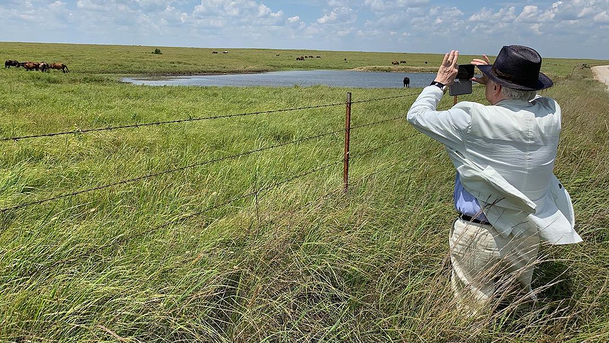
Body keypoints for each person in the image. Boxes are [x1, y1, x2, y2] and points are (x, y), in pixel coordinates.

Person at [406, 45, 582, 313]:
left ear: (498, 88)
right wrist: (497, 83)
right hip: (529, 228)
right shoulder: (551, 113)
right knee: (517, 306)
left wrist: (439, 83)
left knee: (472, 311)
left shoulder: (471, 117)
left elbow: (416, 116)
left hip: (481, 232)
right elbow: (524, 105)